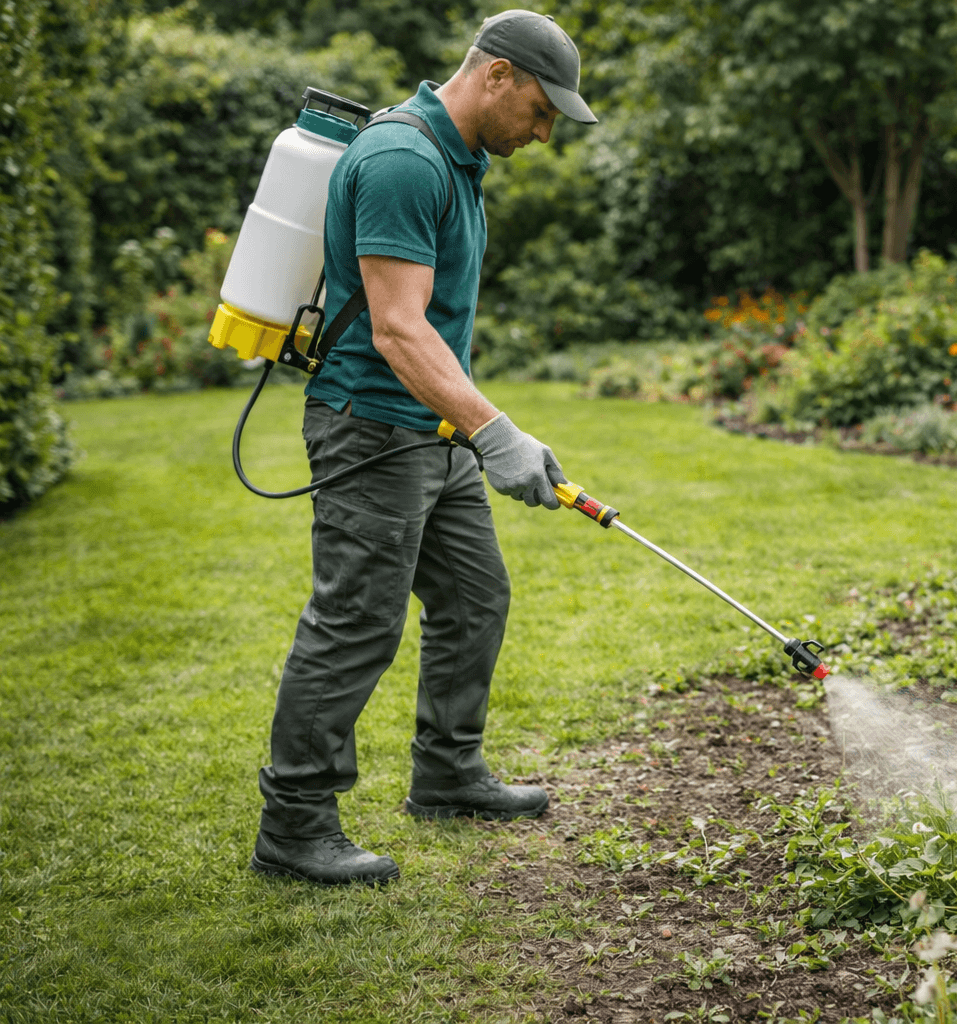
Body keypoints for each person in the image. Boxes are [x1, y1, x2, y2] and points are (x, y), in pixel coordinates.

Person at [249, 10, 598, 887]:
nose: (547, 130)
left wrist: (479, 429)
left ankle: (447, 775)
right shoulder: (404, 159)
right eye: (544, 109)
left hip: (433, 432)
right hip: (372, 429)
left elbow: (428, 330)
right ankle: (294, 824)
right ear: (498, 77)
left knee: (476, 599)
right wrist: (496, 431)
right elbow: (400, 331)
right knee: (356, 623)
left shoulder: (456, 157)